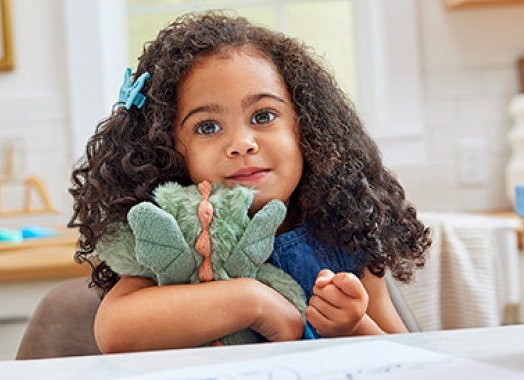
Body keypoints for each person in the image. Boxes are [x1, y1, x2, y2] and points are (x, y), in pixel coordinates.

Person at [68, 11, 431, 354]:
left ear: (306, 128)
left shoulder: (346, 230)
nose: (242, 143)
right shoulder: (181, 232)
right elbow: (114, 329)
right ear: (169, 150)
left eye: (263, 116)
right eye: (207, 126)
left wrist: (353, 328)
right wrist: (252, 301)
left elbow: (407, 361)